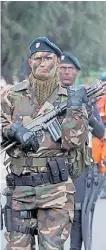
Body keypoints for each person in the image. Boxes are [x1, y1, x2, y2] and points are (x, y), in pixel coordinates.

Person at [1, 37, 89, 249]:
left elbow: (75, 141)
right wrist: (12, 130)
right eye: (37, 58)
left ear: (58, 62)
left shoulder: (70, 97)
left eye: (48, 58)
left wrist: (75, 108)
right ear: (30, 62)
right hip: (20, 188)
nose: (42, 62)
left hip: (55, 189)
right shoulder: (12, 95)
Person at [57, 52, 105, 250]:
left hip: (78, 168)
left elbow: (101, 132)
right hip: (51, 166)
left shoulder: (85, 97)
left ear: (77, 72)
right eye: (63, 68)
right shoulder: (48, 96)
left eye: (71, 69)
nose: (67, 72)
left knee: (78, 217)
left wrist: (86, 109)